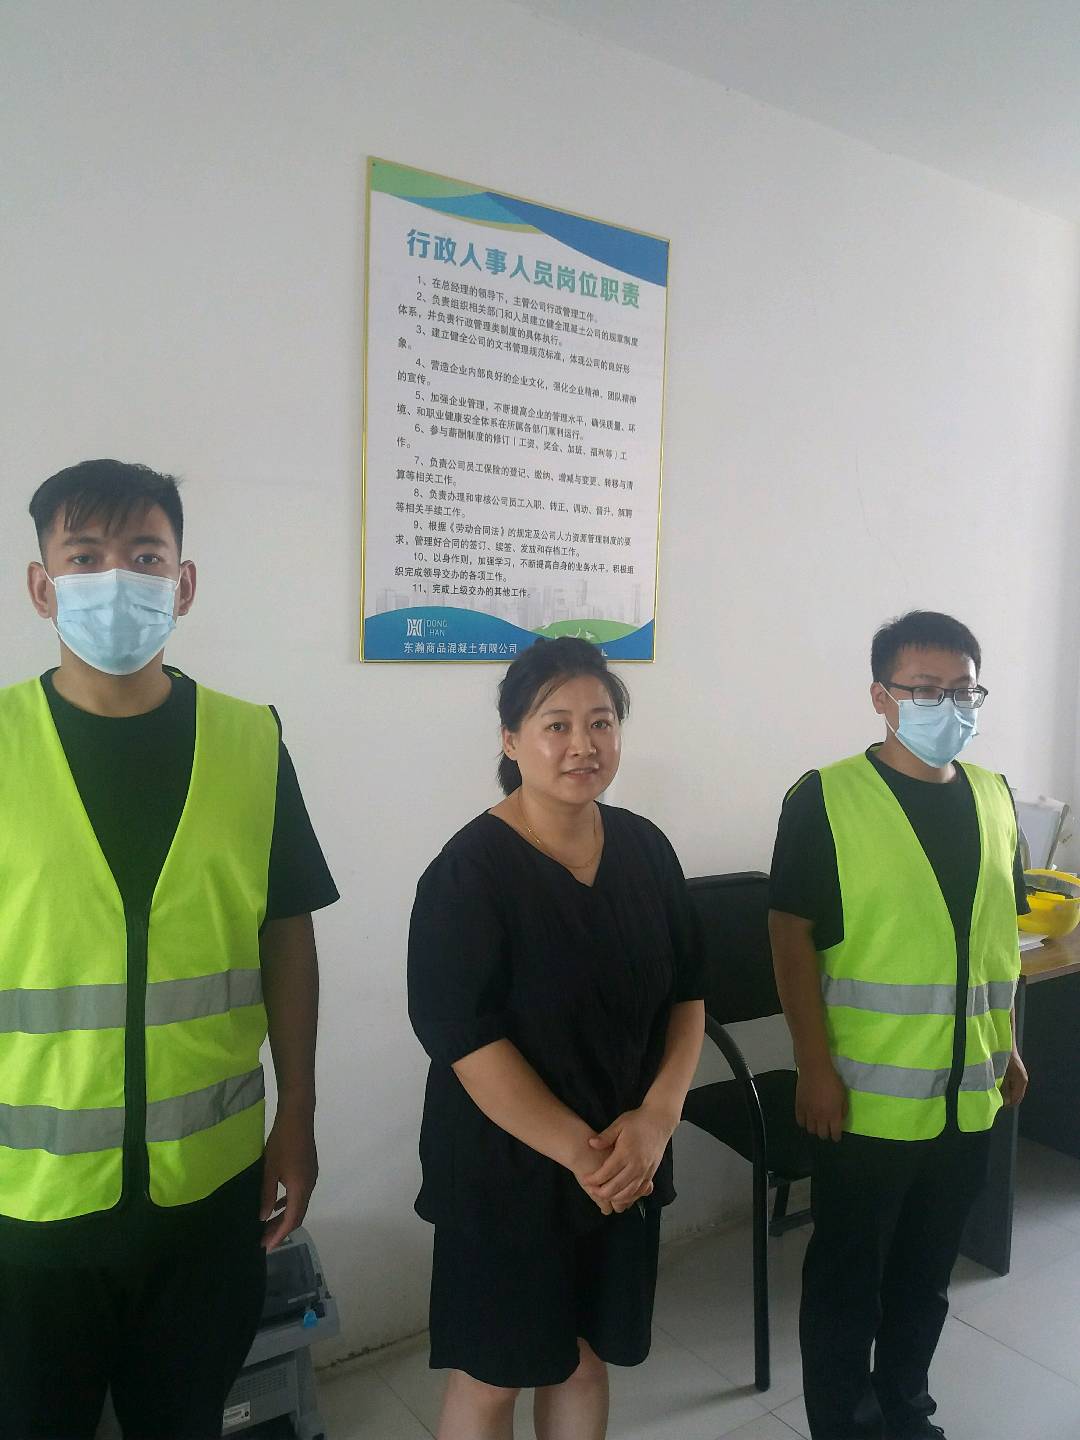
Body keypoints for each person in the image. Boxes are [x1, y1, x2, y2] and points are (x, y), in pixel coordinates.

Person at [0, 459, 339, 1440]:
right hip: (29, 1211)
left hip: (208, 1199)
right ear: (42, 586)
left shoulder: (250, 741)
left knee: (185, 1423)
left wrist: (299, 1111)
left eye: (145, 556)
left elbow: (286, 932)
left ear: (183, 583)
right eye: (84, 557)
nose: (116, 578)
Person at [407, 636, 705, 1440]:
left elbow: (687, 996)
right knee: (492, 1377)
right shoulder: (468, 873)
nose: (584, 744)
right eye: (557, 724)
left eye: (601, 722)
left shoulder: (645, 848)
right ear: (511, 741)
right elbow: (464, 1041)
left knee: (584, 1358)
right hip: (508, 1173)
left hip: (626, 1159)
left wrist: (659, 1118)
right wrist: (583, 1154)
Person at [769, 610, 1029, 1440]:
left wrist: (1008, 1046)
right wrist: (812, 1066)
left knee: (925, 1275)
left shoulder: (995, 796)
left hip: (967, 1095)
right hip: (863, 1099)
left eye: (963, 690)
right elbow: (790, 936)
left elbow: (995, 941)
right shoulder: (826, 798)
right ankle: (845, 1425)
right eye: (924, 690)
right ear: (881, 697)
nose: (946, 706)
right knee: (849, 1280)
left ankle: (907, 1410)